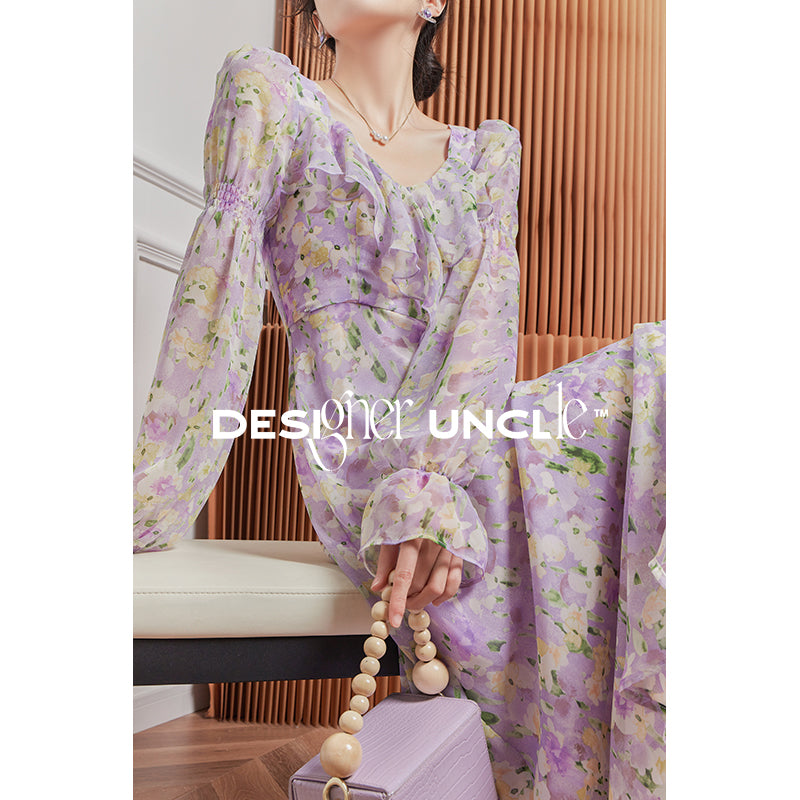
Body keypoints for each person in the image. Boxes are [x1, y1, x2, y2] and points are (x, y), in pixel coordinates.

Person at [132, 2, 666, 797]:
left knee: (667, 376)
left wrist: (434, 484)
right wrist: (151, 496)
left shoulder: (487, 153)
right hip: (364, 469)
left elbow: (484, 332)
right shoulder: (272, 95)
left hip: (471, 448)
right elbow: (214, 308)